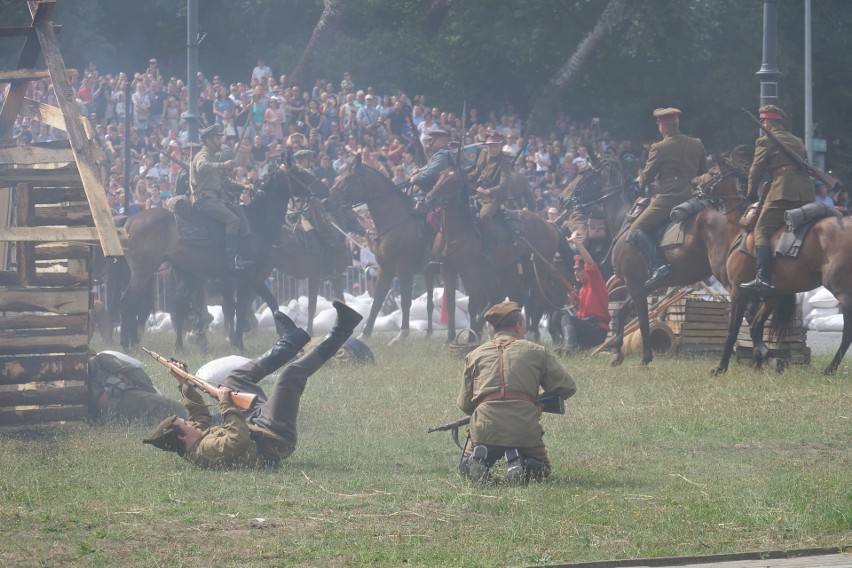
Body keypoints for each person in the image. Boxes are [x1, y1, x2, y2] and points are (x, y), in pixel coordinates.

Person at [143, 303, 363, 468]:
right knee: (291, 376)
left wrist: (184, 382)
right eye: (185, 424)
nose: (190, 423)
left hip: (255, 424)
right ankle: (342, 329)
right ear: (182, 437)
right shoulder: (205, 451)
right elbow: (238, 439)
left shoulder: (193, 439)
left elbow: (199, 416)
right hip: (272, 436)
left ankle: (290, 342)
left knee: (235, 380)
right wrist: (226, 404)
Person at [457, 301, 576, 484]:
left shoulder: (475, 355)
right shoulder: (536, 352)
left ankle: (479, 459)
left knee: (464, 465)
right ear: (518, 325)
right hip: (524, 428)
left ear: (495, 327)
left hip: (484, 429)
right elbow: (568, 386)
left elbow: (465, 404)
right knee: (542, 468)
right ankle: (521, 462)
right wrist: (537, 403)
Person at [740, 104, 816, 292]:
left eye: (763, 121)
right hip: (806, 193)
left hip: (783, 192)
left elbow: (756, 170)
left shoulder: (764, 141)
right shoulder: (797, 140)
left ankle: (763, 277)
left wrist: (749, 193)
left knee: (761, 231)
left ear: (765, 122)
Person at [630, 107, 707, 289]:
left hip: (670, 197)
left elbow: (647, 178)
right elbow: (703, 171)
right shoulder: (696, 143)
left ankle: (659, 265)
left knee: (635, 229)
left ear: (663, 126)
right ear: (677, 123)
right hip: (693, 195)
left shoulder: (659, 147)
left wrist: (640, 179)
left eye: (659, 124)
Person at [191, 124, 252, 270]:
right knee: (232, 220)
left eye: (220, 138)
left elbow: (224, 181)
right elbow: (202, 166)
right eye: (217, 138)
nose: (220, 141)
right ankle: (232, 260)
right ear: (207, 141)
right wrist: (222, 165)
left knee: (238, 211)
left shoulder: (213, 157)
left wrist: (243, 186)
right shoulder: (202, 155)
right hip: (205, 199)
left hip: (215, 198)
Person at [552, 238, 610, 354]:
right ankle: (570, 346)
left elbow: (590, 262)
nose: (575, 273)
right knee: (557, 315)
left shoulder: (595, 281)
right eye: (574, 270)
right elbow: (581, 316)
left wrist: (576, 243)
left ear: (586, 271)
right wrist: (575, 303)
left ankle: (569, 349)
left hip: (597, 331)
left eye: (578, 270)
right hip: (587, 329)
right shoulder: (583, 289)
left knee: (566, 318)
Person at [469, 132, 512, 260]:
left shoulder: (505, 162)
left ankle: (488, 247)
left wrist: (489, 191)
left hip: (494, 197)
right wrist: (465, 176)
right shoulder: (483, 154)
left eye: (495, 146)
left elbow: (504, 185)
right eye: (490, 146)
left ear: (500, 147)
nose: (492, 149)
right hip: (478, 192)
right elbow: (477, 172)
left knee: (485, 216)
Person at [409, 129, 453, 196]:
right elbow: (429, 167)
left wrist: (415, 178)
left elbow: (431, 173)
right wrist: (420, 170)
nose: (428, 143)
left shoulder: (443, 154)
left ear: (440, 141)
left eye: (430, 140)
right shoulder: (440, 153)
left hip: (436, 194)